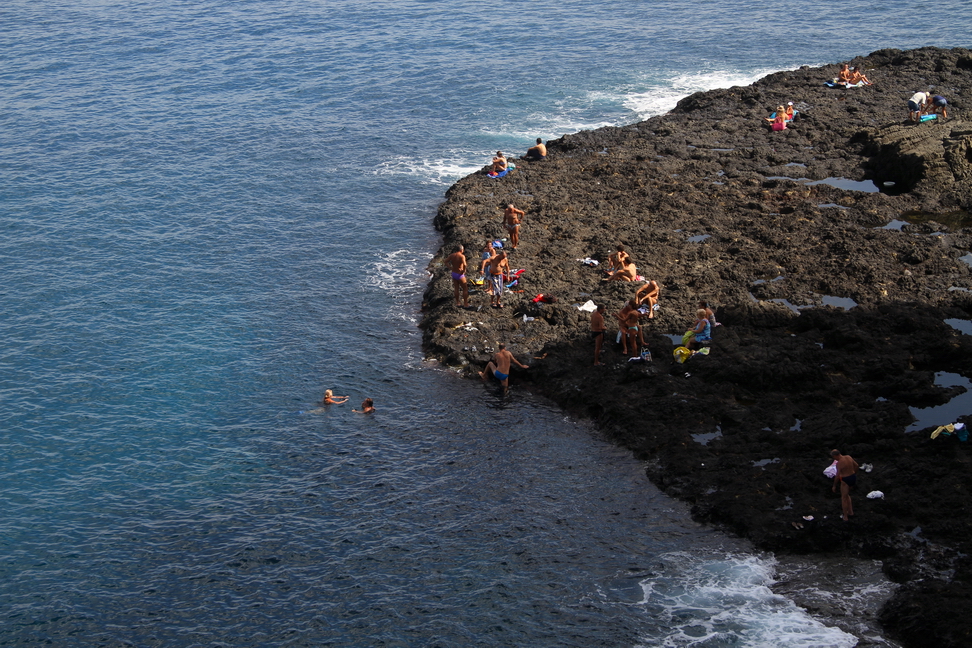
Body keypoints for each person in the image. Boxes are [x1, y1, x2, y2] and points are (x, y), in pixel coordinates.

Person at [830, 449, 860, 521]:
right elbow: (857, 465)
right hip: (853, 477)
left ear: (836, 455)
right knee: (847, 495)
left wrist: (834, 485)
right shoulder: (849, 457)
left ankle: (845, 516)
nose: (835, 459)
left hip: (845, 480)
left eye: (834, 457)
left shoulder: (839, 463)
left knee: (843, 498)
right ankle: (850, 512)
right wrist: (854, 474)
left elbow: (837, 476)